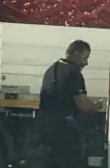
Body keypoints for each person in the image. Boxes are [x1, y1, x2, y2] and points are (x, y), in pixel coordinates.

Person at [38, 40, 102, 168]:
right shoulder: (73, 73)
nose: (86, 63)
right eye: (85, 58)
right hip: (66, 133)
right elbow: (83, 106)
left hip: (46, 129)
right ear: (76, 54)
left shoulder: (51, 70)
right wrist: (96, 106)